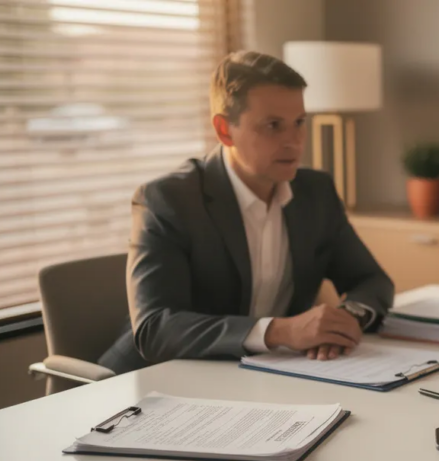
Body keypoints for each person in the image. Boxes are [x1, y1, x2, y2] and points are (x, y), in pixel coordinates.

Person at [98, 51, 393, 374]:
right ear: (225, 130)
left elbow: (372, 279)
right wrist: (281, 331)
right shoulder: (167, 200)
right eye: (273, 126)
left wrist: (346, 319)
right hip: (153, 383)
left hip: (260, 377)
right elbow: (156, 328)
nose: (294, 142)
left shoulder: (316, 193)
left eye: (299, 123)